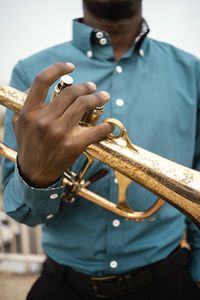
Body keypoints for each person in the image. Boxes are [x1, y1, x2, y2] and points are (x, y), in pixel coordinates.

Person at [2, 0, 200, 299]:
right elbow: (22, 211)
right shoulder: (30, 71)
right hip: (62, 285)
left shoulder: (192, 72)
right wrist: (37, 177)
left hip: (170, 281)